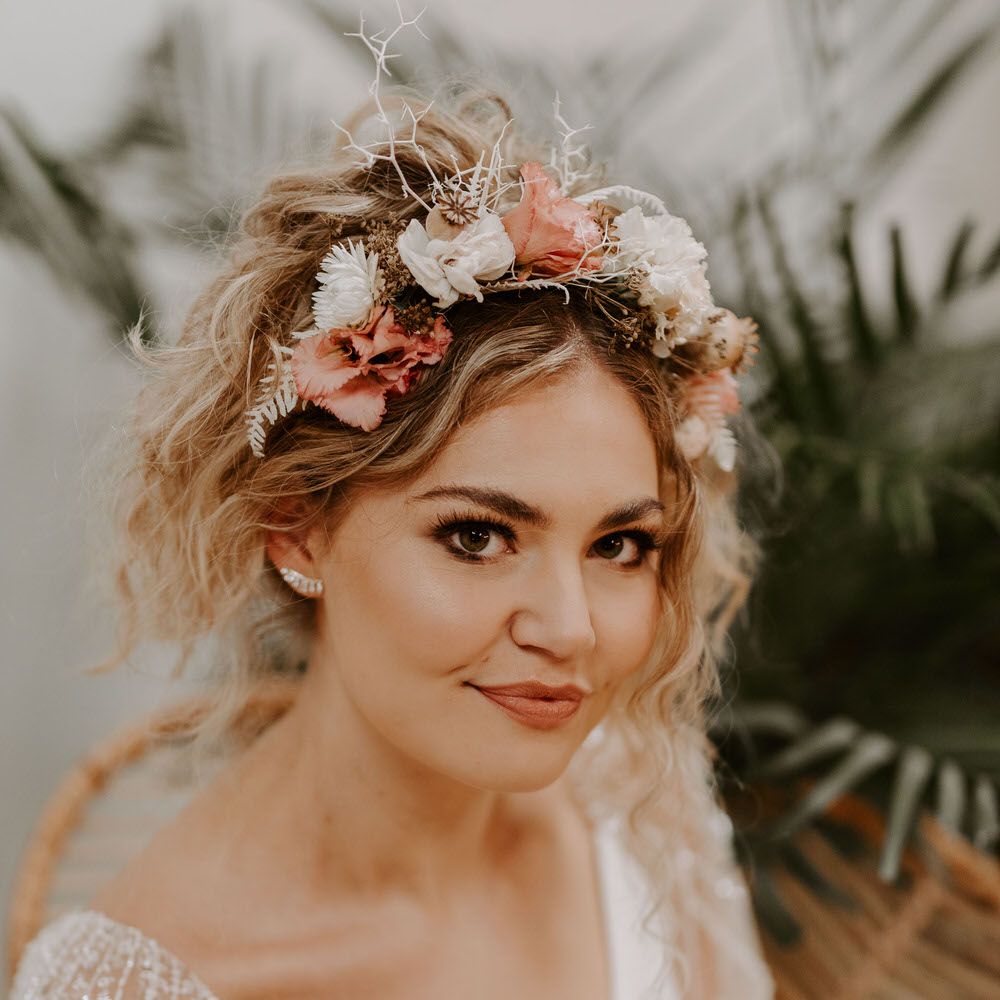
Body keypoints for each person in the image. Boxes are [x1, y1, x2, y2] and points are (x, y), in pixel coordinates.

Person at [9, 62, 775, 1000]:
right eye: (478, 537)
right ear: (295, 529)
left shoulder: (631, 798)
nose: (571, 629)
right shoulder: (151, 982)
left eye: (620, 545)